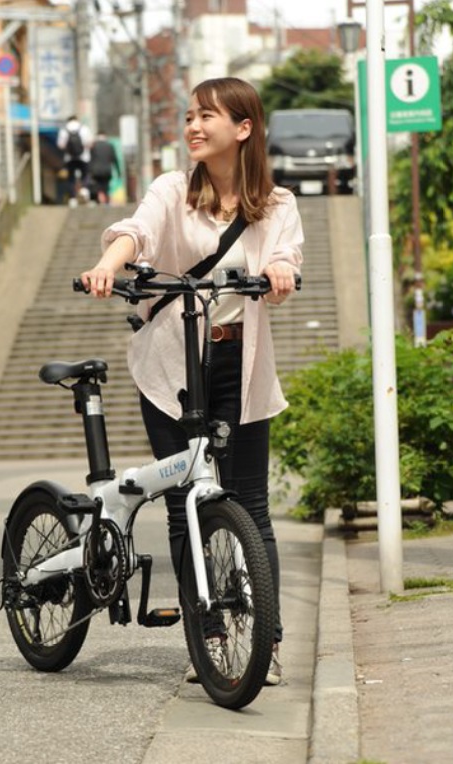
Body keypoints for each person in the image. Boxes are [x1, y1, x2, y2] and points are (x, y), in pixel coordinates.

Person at [80, 77, 303, 686]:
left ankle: (266, 640)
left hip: (241, 363)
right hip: (173, 363)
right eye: (189, 117)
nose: (194, 127)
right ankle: (204, 638)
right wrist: (108, 264)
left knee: (250, 507)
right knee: (185, 505)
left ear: (244, 128)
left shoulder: (277, 203)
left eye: (208, 117)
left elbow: (286, 253)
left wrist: (280, 271)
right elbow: (139, 230)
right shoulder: (174, 189)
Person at [57, 115, 93, 204]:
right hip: (84, 157)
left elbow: (60, 145)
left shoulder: (64, 130)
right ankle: (84, 191)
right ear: (77, 120)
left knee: (71, 178)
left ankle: (72, 198)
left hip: (69, 158)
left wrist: (69, 149)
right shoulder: (84, 128)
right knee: (85, 175)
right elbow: (89, 143)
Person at [88, 132, 121, 204]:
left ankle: (99, 202)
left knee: (97, 188)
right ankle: (106, 202)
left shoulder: (94, 146)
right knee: (106, 187)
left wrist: (89, 171)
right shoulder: (110, 146)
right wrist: (118, 172)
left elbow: (91, 160)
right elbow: (115, 160)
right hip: (107, 171)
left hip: (96, 171)